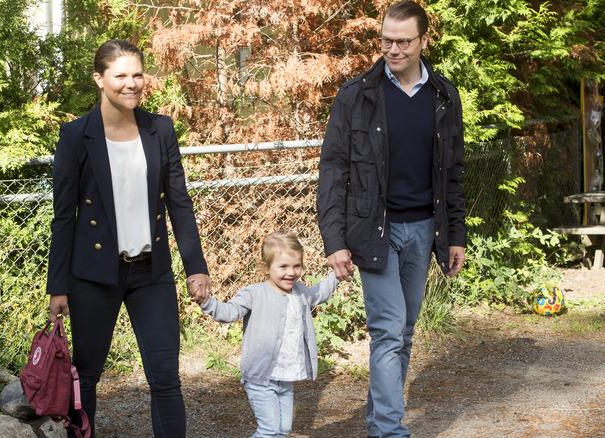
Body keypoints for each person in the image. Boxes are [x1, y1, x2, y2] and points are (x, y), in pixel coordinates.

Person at [46, 39, 211, 438]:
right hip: (92, 276)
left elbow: (179, 204)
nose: (131, 83)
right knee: (85, 378)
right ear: (99, 79)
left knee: (166, 379)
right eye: (120, 75)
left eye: (137, 74)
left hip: (151, 275)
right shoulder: (75, 136)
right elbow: (63, 217)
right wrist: (58, 287)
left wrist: (196, 268)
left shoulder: (160, 129)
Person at [316, 1, 467, 436]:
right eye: (386, 40)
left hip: (424, 230)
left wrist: (455, 234)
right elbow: (333, 171)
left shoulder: (444, 96)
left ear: (424, 40)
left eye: (403, 41)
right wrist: (335, 239)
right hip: (373, 232)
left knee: (405, 330)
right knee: (388, 331)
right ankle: (389, 430)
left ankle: (378, 422)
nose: (393, 49)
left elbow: (452, 172)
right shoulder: (356, 96)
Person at [192, 231, 340, 438]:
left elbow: (319, 294)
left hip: (285, 377)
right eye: (283, 267)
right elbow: (229, 312)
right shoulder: (255, 293)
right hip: (261, 377)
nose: (291, 272)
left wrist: (337, 275)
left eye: (296, 266)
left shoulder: (300, 293)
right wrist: (206, 302)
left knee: (283, 430)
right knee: (269, 430)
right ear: (266, 267)